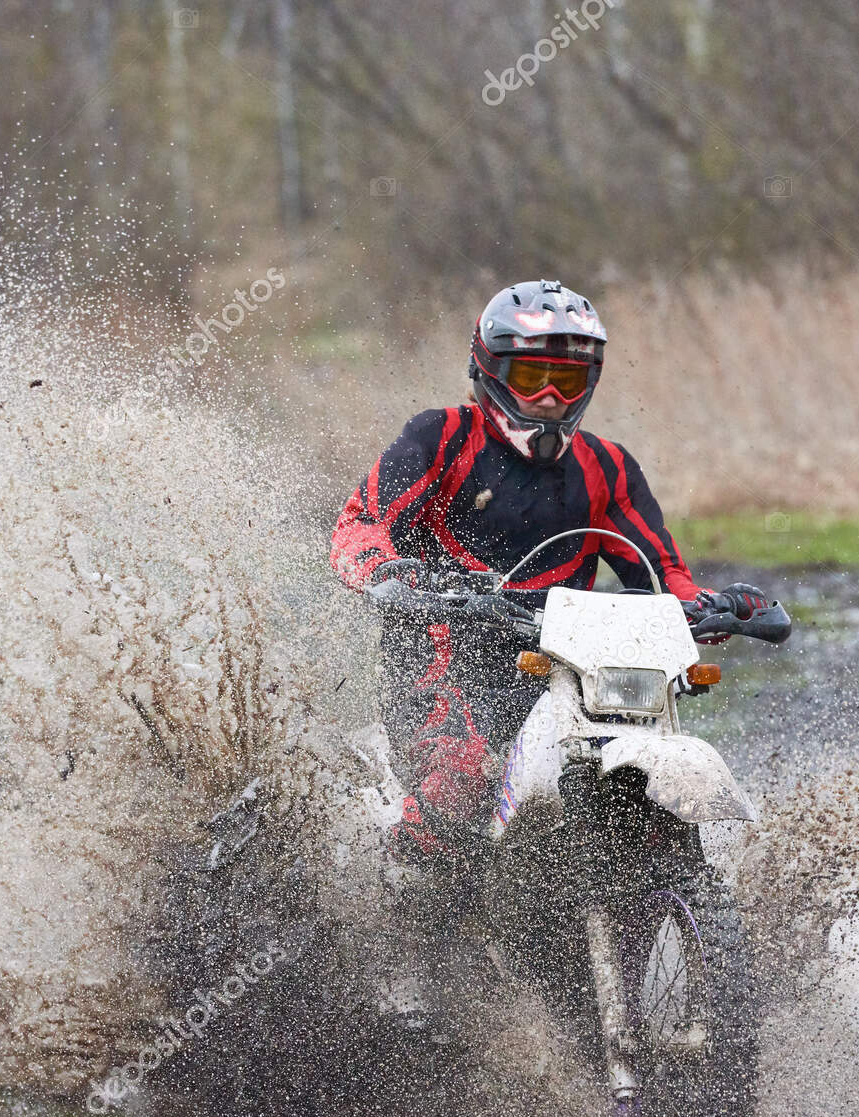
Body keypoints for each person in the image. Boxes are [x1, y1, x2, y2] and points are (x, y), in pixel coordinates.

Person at [330, 278, 773, 859]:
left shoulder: (608, 466)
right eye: (529, 378)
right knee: (457, 781)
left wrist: (709, 606)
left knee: (646, 735)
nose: (548, 399)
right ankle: (407, 912)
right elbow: (359, 525)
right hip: (443, 653)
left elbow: (663, 573)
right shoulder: (438, 438)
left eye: (565, 382)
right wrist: (390, 573)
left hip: (569, 664)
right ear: (491, 372)